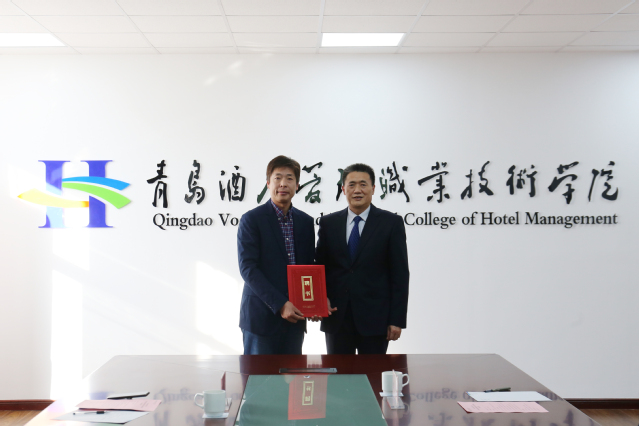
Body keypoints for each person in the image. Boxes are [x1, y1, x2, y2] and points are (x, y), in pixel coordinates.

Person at [316, 163, 409, 354]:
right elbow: (319, 267)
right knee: (338, 373)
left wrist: (396, 320)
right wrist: (319, 300)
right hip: (336, 318)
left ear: (373, 188)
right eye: (351, 185)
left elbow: (400, 275)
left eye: (363, 184)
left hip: (376, 320)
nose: (357, 190)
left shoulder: (391, 223)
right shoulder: (328, 223)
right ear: (343, 189)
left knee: (373, 372)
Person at [237, 155, 316, 354]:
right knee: (259, 374)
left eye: (289, 178)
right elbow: (248, 269)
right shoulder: (251, 219)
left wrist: (314, 303)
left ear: (297, 185)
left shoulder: (306, 222)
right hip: (260, 319)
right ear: (268, 183)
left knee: (293, 374)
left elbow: (308, 267)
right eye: (277, 178)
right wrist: (281, 304)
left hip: (295, 319)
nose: (283, 184)